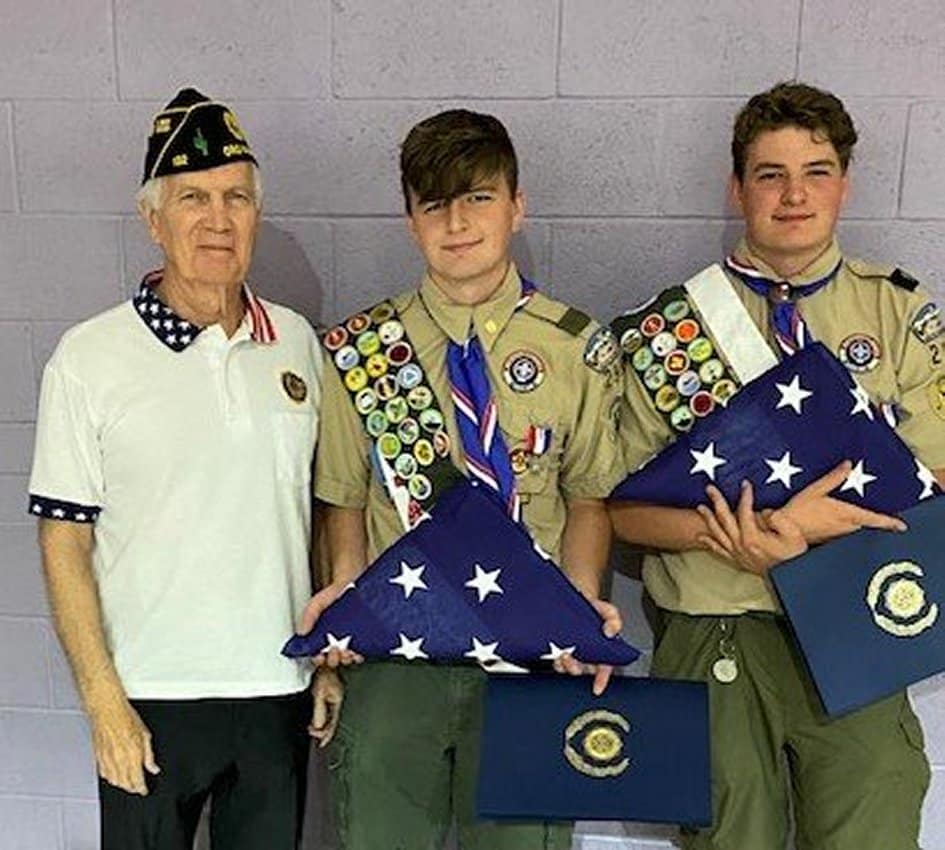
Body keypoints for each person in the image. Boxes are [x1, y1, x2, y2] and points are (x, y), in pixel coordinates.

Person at [611, 81, 945, 850]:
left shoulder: (898, 315)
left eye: (815, 172)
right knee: (724, 834)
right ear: (737, 189)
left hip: (860, 623)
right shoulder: (664, 330)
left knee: (873, 821)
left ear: (843, 184)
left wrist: (820, 533)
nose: (794, 195)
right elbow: (623, 512)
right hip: (715, 625)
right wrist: (742, 534)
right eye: (769, 174)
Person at [304, 108, 626, 850]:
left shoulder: (575, 348)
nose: (457, 221)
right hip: (395, 660)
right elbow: (344, 506)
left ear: (517, 206)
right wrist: (345, 624)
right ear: (410, 220)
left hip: (530, 658)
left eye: (478, 196)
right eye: (434, 203)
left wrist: (575, 610)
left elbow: (587, 499)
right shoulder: (361, 351)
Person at [27, 88, 322, 850]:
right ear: (153, 220)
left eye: (236, 198)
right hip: (148, 698)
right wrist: (102, 703)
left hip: (275, 689)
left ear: (256, 214)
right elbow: (63, 543)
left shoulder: (296, 345)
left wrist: (325, 663)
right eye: (192, 198)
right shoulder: (88, 359)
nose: (217, 219)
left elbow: (323, 513)